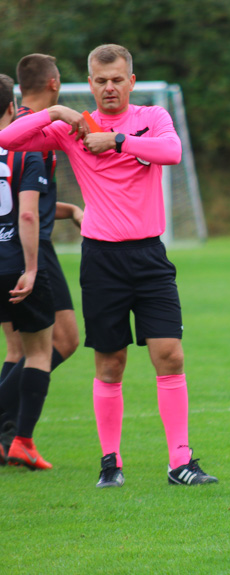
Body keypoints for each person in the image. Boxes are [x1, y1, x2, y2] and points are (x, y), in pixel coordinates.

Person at [0, 44, 217, 487]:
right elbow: (7, 139)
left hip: (151, 257)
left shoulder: (152, 118)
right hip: (101, 260)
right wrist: (58, 112)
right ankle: (110, 464)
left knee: (169, 355)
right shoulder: (72, 127)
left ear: (131, 81)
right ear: (90, 84)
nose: (110, 88)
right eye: (101, 81)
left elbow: (172, 151)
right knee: (110, 363)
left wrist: (117, 139)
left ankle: (181, 462)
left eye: (117, 79)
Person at [0, 54, 84, 460]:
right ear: (54, 83)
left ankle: (10, 437)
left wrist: (72, 211)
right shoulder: (32, 132)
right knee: (54, 344)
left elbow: (30, 198)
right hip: (29, 251)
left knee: (24, 350)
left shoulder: (17, 127)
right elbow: (27, 206)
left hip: (14, 246)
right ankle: (16, 436)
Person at [0, 74, 56, 470]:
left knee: (13, 350)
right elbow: (27, 213)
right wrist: (33, 269)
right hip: (14, 266)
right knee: (39, 352)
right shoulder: (25, 152)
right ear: (11, 108)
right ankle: (22, 440)